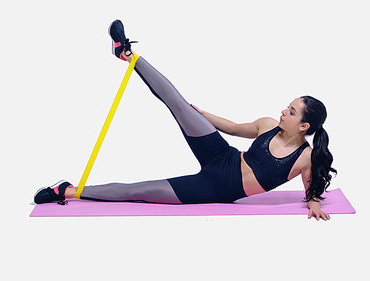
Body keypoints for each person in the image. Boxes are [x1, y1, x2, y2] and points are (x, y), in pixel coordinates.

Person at [34, 19, 337, 221]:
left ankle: (67, 190)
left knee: (138, 191)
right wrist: (201, 115)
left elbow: (311, 191)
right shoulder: (268, 123)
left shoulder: (306, 157)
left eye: (292, 111)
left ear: (304, 127)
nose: (284, 111)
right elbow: (231, 128)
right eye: (288, 106)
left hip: (216, 188)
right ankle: (126, 53)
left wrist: (314, 204)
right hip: (222, 155)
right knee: (178, 103)